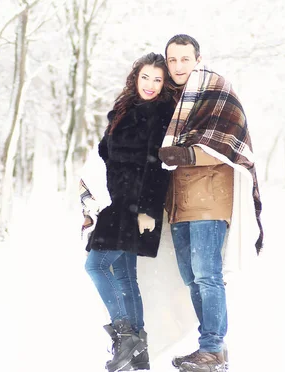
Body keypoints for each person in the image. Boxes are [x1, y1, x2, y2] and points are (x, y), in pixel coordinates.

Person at [157, 34, 264, 372]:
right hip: (178, 202)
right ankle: (213, 347)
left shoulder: (216, 90)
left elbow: (229, 147)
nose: (178, 66)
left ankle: (212, 348)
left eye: (184, 59)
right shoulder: (169, 98)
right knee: (191, 278)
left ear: (197, 58)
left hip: (210, 198)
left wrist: (186, 153)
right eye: (172, 60)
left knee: (207, 275)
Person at [82, 52, 176, 372]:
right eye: (145, 77)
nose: (150, 85)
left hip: (135, 205)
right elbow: (103, 155)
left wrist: (148, 209)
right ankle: (138, 353)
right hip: (114, 201)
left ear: (164, 85)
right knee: (124, 275)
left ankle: (126, 337)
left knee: (95, 266)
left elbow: (160, 165)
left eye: (157, 79)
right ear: (136, 77)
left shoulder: (163, 112)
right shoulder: (123, 110)